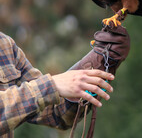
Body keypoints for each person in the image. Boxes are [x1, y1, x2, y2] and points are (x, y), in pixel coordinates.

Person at [0, 25, 130, 138]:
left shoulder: (4, 45)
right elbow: (45, 91)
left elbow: (54, 112)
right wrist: (51, 86)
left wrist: (101, 60)